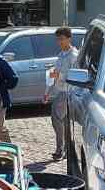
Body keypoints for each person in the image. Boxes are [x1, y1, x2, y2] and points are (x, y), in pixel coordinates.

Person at [44, 27, 79, 161]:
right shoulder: (61, 54)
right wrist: (47, 92)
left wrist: (59, 74)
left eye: (62, 39)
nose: (59, 42)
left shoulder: (73, 55)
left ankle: (61, 150)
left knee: (57, 119)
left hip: (68, 92)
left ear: (69, 38)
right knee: (62, 121)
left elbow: (74, 75)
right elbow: (55, 74)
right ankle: (65, 149)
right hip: (59, 90)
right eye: (58, 39)